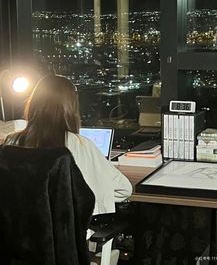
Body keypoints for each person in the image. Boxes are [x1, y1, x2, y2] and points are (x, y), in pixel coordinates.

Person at [3, 74, 132, 216]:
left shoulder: (11, 143)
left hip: (21, 233)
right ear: (71, 107)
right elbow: (124, 189)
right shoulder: (81, 145)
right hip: (68, 234)